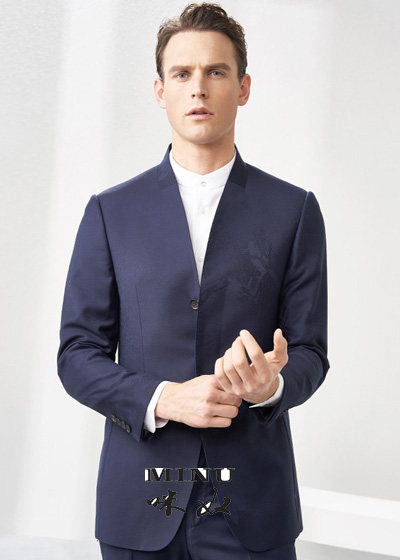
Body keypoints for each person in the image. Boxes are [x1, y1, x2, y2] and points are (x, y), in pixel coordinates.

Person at [57, 3, 329, 559]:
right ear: (161, 91)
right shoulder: (110, 212)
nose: (198, 88)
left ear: (243, 87)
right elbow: (77, 355)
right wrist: (164, 398)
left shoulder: (295, 211)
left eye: (216, 71)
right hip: (140, 505)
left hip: (252, 510)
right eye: (181, 74)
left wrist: (270, 388)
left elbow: (310, 352)